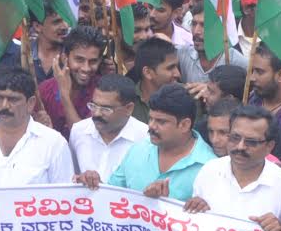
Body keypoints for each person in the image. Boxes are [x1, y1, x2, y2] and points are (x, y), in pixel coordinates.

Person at [87, 83, 216, 201]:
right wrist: (90, 184)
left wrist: (165, 204)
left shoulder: (209, 167)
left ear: (184, 125)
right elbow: (110, 196)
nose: (152, 126)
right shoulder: (137, 150)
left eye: (161, 121)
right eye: (151, 119)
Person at [190, 104, 281, 221]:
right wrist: (194, 208)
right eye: (235, 138)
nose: (240, 146)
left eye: (251, 142)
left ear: (269, 146)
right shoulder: (209, 170)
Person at [0, 68, 74, 187]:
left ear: (30, 103)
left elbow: (64, 195)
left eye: (13, 99)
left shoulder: (53, 143)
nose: (4, 106)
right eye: (0, 98)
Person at [67, 75, 147, 183]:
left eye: (106, 109)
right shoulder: (79, 131)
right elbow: (72, 176)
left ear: (129, 109)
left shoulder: (145, 138)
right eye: (93, 106)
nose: (97, 113)